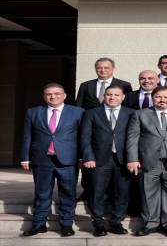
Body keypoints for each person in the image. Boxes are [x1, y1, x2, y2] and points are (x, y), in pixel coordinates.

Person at [125, 86, 167, 236]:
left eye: (166, 97)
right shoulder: (140, 114)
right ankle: (150, 224)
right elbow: (132, 138)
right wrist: (133, 159)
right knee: (148, 194)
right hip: (147, 161)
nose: (162, 100)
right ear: (152, 98)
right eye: (158, 97)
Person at [21, 83, 85, 237]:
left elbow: (83, 137)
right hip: (42, 159)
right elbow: (27, 136)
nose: (53, 96)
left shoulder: (78, 112)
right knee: (42, 193)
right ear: (44, 97)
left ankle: (66, 224)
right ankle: (39, 223)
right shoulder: (33, 112)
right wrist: (25, 158)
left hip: (68, 160)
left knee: (68, 193)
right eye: (49, 94)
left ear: (64, 95)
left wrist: (83, 157)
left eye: (57, 93)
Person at [80, 85, 134, 236]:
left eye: (116, 95)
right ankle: (98, 223)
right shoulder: (91, 113)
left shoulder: (131, 113)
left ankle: (116, 222)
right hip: (98, 159)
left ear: (123, 97)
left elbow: (135, 138)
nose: (112, 97)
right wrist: (88, 156)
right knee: (96, 192)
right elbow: (85, 137)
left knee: (122, 193)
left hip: (124, 160)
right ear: (104, 96)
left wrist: (134, 159)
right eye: (109, 94)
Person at [75, 57, 133, 201]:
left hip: (115, 130)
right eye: (99, 68)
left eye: (106, 68)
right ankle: (87, 191)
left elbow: (129, 106)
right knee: (91, 167)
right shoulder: (86, 85)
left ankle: (111, 193)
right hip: (94, 129)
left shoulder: (124, 85)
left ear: (113, 69)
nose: (103, 70)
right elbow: (79, 107)